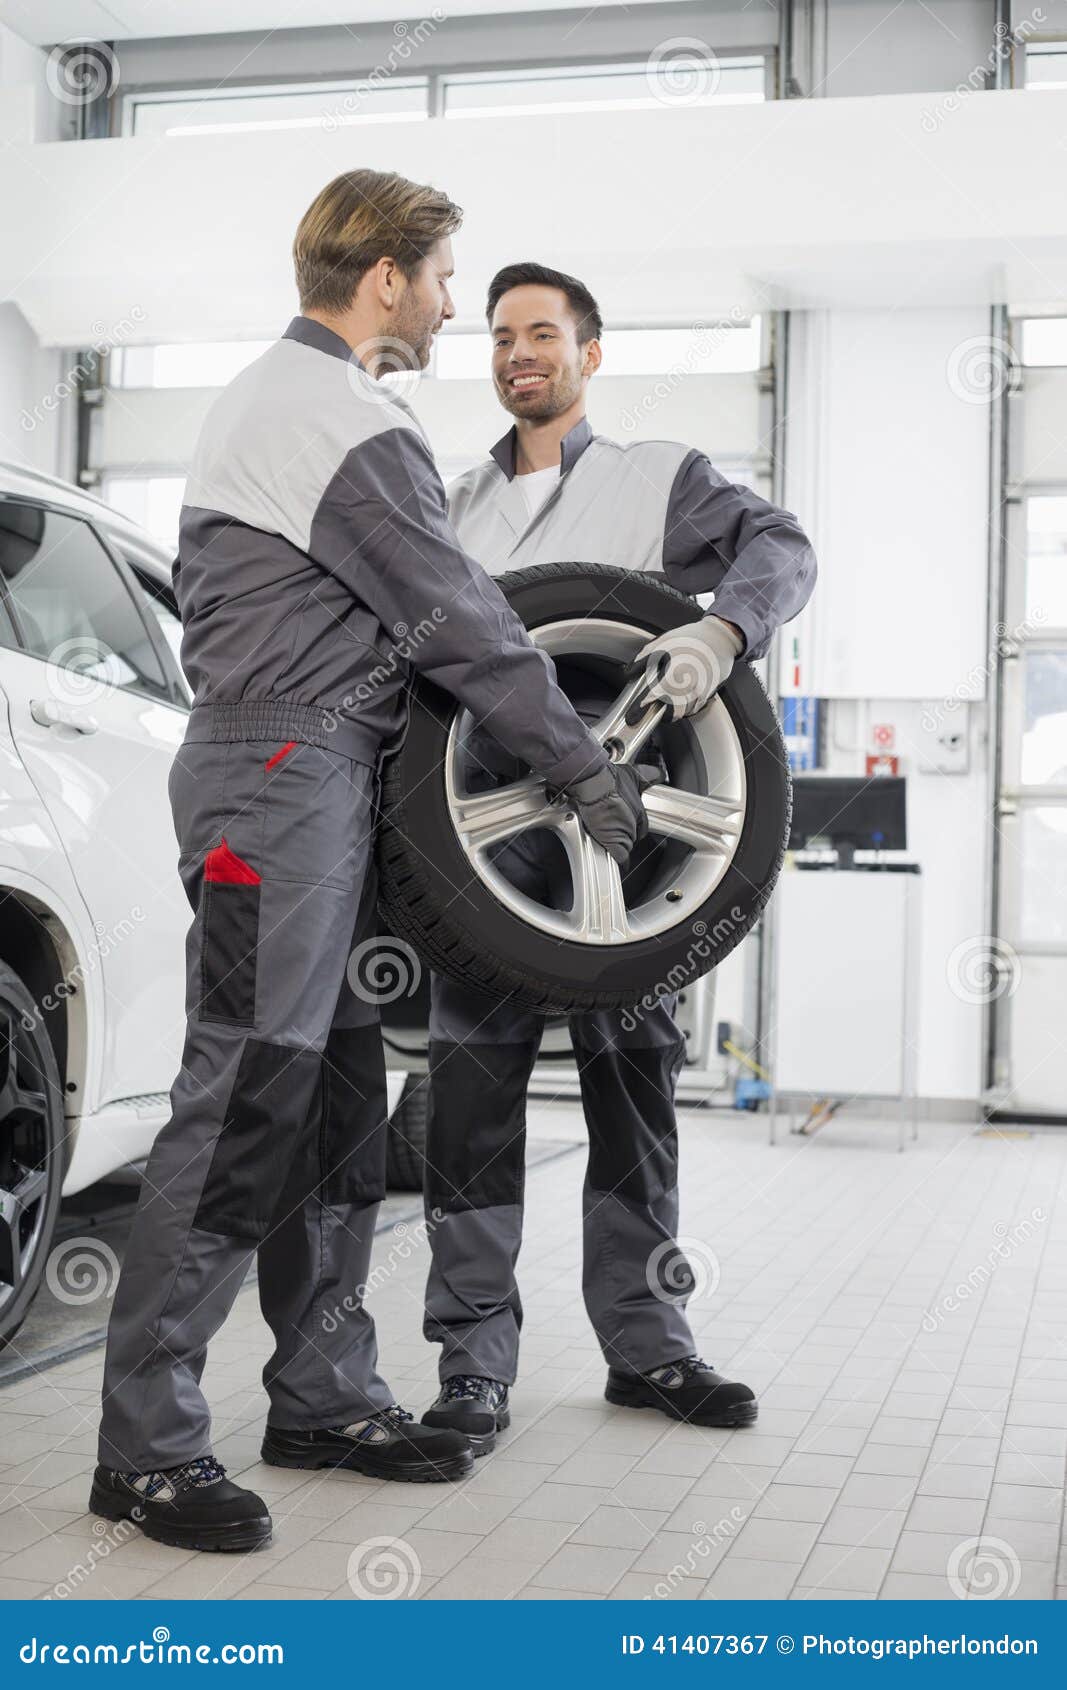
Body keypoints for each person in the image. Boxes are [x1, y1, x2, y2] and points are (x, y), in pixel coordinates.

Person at [91, 187, 650, 1553]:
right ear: (387, 279)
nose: (457, 308)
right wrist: (578, 766)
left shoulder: (275, 400)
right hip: (276, 782)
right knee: (244, 1094)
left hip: (306, 776)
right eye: (447, 280)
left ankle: (324, 1389)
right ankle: (146, 1446)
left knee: (338, 1093)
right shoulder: (334, 414)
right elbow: (455, 617)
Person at [419, 262, 817, 1454]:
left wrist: (721, 627)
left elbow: (780, 546)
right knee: (470, 1107)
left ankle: (649, 1348)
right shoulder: (450, 508)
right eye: (499, 335)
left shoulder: (660, 482)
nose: (516, 352)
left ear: (589, 353)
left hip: (636, 851)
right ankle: (472, 1365)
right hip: (484, 853)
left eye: (542, 332)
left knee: (633, 1093)